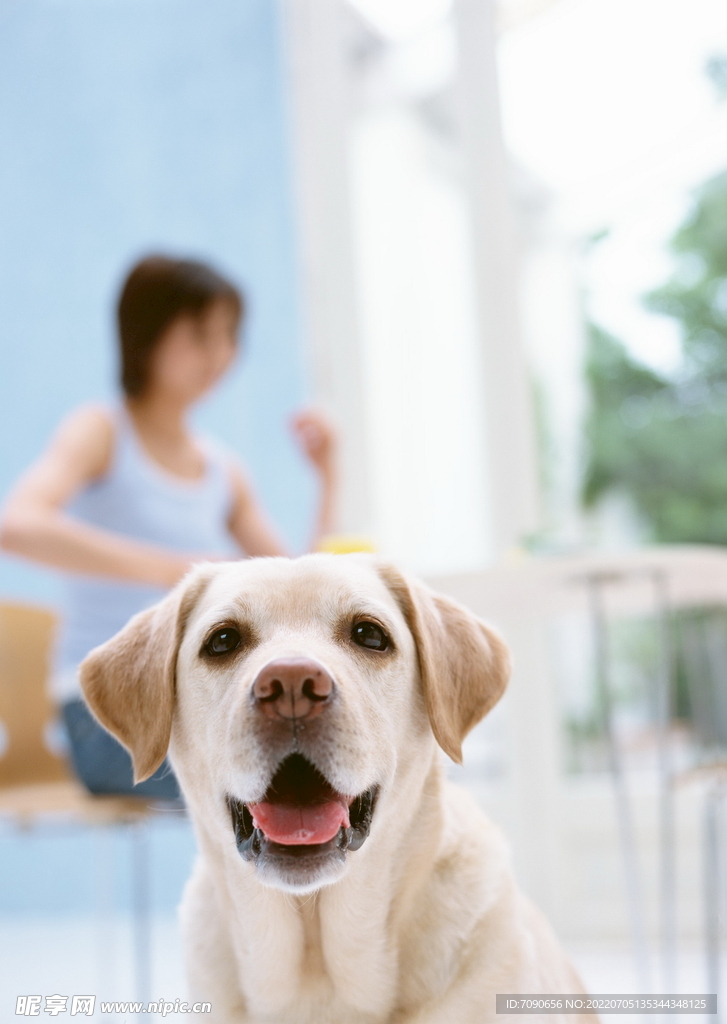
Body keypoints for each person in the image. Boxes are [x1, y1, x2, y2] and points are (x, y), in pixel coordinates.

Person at [0, 255, 337, 799]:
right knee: (282, 782)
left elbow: (298, 587)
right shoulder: (101, 431)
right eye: (201, 335)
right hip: (105, 715)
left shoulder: (222, 470)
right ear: (148, 335)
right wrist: (173, 571)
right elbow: (16, 525)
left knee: (330, 770)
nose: (220, 353)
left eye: (229, 335)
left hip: (192, 703)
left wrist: (328, 479)